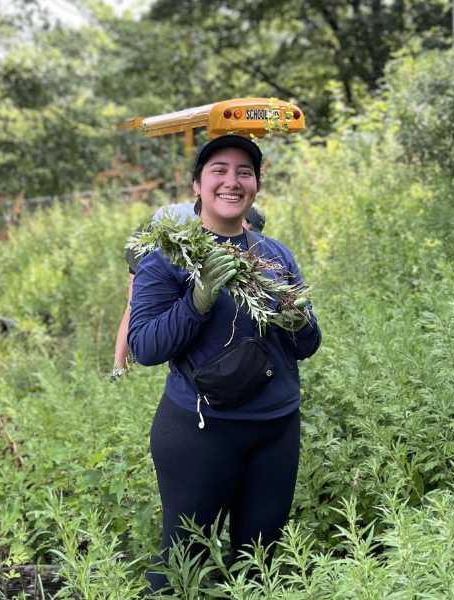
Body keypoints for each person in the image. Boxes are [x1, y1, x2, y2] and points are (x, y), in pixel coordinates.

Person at [127, 134, 321, 592]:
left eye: (244, 172)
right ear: (197, 184)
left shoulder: (274, 254)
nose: (232, 181)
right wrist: (196, 301)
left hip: (276, 428)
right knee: (182, 566)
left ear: (255, 186)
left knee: (261, 561)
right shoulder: (171, 258)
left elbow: (307, 346)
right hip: (201, 432)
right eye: (219, 170)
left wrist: (298, 320)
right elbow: (145, 347)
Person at [112, 203, 266, 380]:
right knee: (132, 306)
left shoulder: (224, 223)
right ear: (243, 219)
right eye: (249, 228)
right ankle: (118, 371)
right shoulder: (207, 225)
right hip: (150, 237)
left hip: (173, 242)